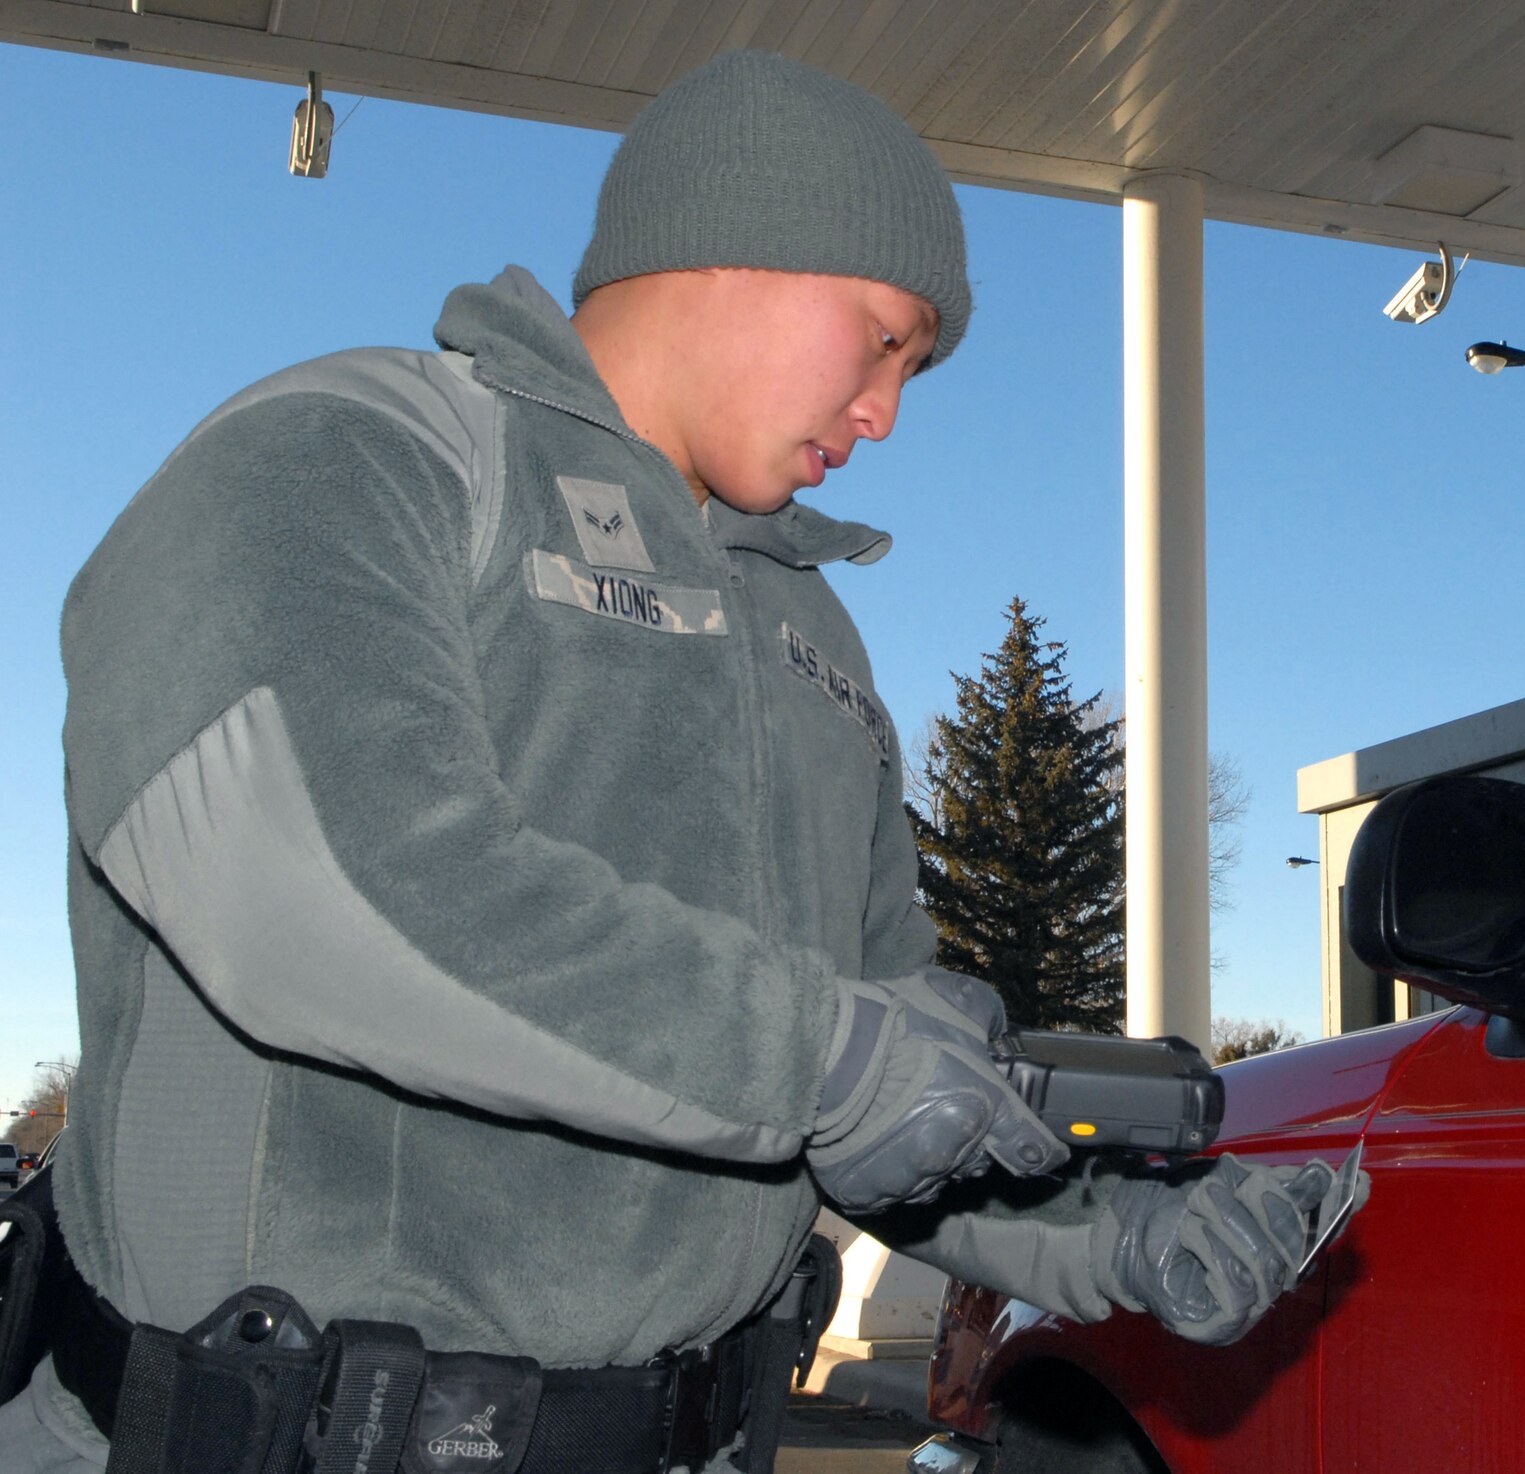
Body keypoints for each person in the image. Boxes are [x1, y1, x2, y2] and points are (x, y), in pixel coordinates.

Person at [1, 50, 1340, 1474]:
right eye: (883, 339)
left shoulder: (814, 642)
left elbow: (891, 1083)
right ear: (738, 240)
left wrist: (1122, 1229)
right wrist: (824, 1059)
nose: (886, 410)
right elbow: (320, 875)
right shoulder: (354, 450)